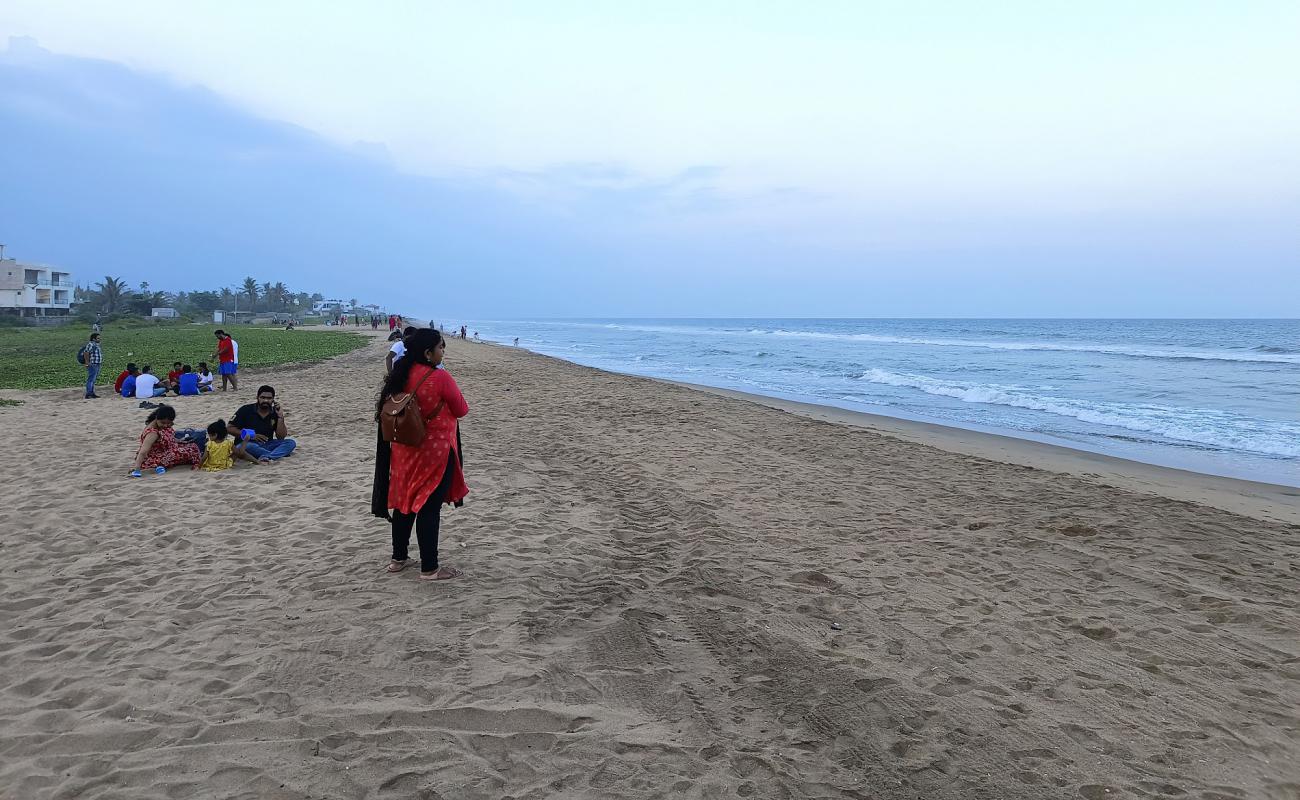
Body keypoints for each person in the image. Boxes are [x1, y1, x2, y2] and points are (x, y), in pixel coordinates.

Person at [376, 328, 468, 581]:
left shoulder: (400, 375)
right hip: (435, 452)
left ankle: (398, 559)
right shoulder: (440, 378)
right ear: (428, 353)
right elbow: (461, 409)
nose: (443, 352)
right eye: (440, 347)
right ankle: (430, 567)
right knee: (429, 507)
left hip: (404, 450)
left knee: (405, 503)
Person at [128, 405, 201, 477]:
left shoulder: (161, 426)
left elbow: (168, 437)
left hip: (165, 451)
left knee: (192, 445)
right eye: (163, 423)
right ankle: (155, 467)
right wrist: (137, 469)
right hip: (155, 458)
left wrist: (180, 441)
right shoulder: (152, 433)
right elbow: (143, 452)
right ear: (156, 418)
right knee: (192, 450)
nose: (166, 425)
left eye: (168, 423)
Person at [227, 385, 296, 460]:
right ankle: (276, 454)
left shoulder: (275, 412)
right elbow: (229, 428)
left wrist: (280, 417)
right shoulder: (245, 410)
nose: (266, 400)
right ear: (257, 398)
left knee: (291, 443)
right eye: (263, 398)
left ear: (273, 400)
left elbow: (281, 437)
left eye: (269, 398)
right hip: (246, 444)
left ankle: (268, 456)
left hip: (267, 444)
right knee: (248, 447)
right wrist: (252, 435)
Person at [78, 333, 103, 399]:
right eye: (98, 338)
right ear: (93, 339)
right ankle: (89, 393)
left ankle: (91, 393)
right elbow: (86, 353)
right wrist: (87, 362)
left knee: (93, 379)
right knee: (91, 379)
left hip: (97, 364)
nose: (99, 339)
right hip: (93, 364)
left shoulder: (96, 345)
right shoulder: (91, 344)